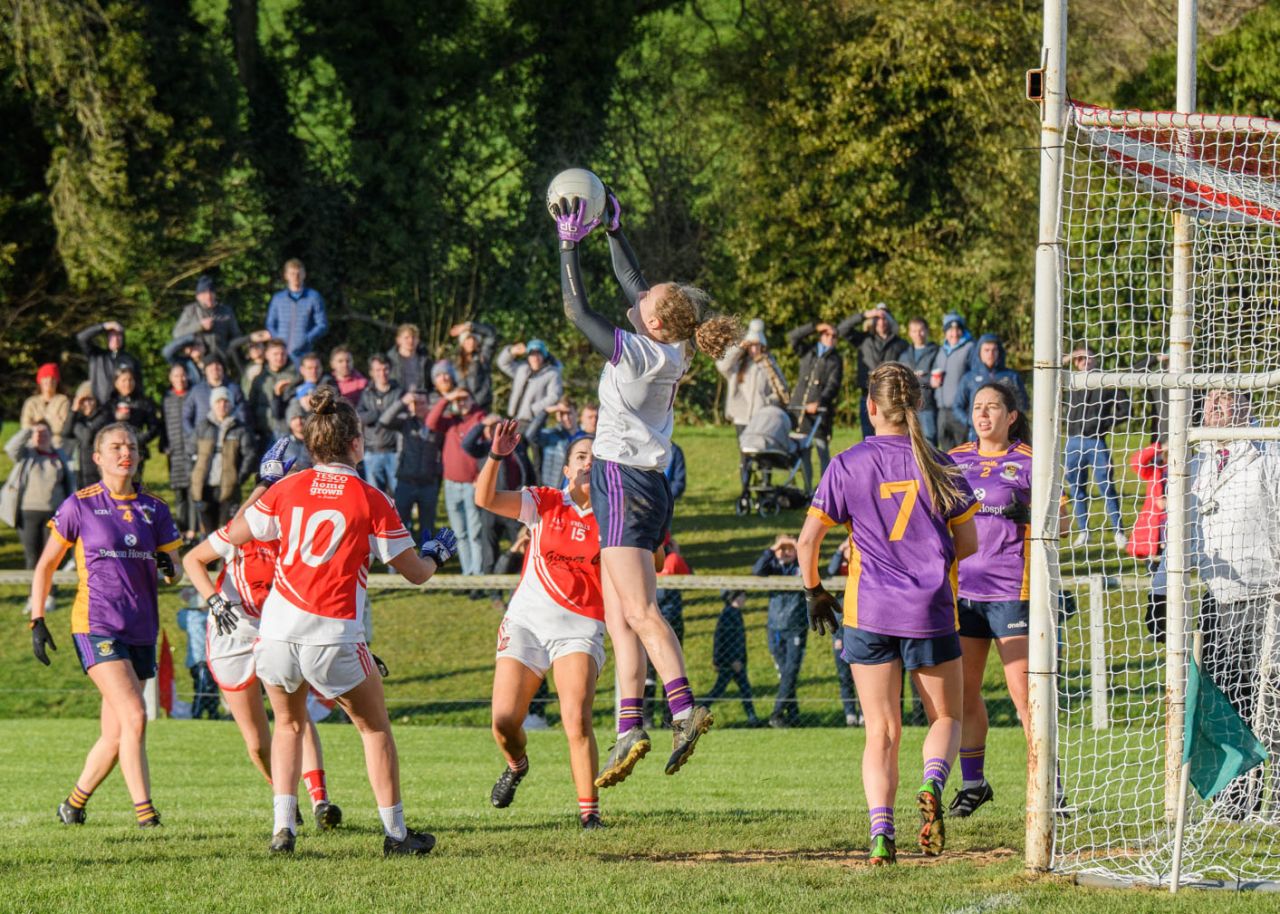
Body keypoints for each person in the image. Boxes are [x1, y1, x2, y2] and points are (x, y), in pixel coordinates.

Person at [199, 386, 456, 855]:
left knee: (287, 726)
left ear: (312, 444)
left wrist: (265, 483)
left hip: (275, 632)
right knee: (373, 728)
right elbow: (416, 574)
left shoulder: (285, 489)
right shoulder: (369, 497)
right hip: (332, 632)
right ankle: (396, 835)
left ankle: (283, 830)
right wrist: (437, 552)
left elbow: (234, 534)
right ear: (356, 443)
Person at [554, 189, 737, 785]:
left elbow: (577, 311)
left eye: (651, 300)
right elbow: (634, 278)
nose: (645, 292)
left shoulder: (636, 353)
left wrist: (567, 246)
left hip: (624, 479)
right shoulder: (674, 343)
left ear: (654, 320)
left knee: (640, 609)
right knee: (617, 616)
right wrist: (611, 228)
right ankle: (629, 724)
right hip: (643, 481)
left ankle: (684, 709)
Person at [796, 361, 978, 865]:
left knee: (881, 731)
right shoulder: (940, 462)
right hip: (930, 610)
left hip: (869, 610)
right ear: (917, 405)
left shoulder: (847, 463)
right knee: (945, 716)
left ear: (870, 407)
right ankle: (933, 783)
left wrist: (815, 591)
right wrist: (928, 562)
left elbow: (808, 541)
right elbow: (969, 541)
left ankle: (881, 836)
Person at [27, 423, 183, 828]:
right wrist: (37, 619)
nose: (124, 453)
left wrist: (171, 567)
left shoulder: (155, 507)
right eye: (115, 447)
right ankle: (146, 814)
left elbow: (176, 572)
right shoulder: (79, 505)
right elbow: (45, 565)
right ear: (97, 458)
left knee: (116, 733)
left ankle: (73, 804)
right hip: (96, 625)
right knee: (135, 716)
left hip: (142, 628)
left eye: (130, 446)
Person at [182, 442, 344, 829]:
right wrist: (214, 602)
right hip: (232, 630)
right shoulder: (251, 520)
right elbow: (195, 558)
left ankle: (320, 800)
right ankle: (282, 792)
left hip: (277, 627)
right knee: (256, 740)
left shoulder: (298, 525)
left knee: (295, 715)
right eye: (280, 485)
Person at [474, 422, 607, 828]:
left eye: (595, 458)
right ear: (566, 469)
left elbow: (653, 562)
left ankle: (589, 814)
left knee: (576, 718)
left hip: (580, 625)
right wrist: (497, 456)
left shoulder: (613, 514)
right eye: (581, 457)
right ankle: (517, 765)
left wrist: (646, 515)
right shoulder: (545, 501)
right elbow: (484, 498)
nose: (588, 463)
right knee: (503, 721)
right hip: (528, 622)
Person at [1188, 389, 1280, 817]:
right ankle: (1236, 798)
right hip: (1218, 597)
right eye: (1209, 399)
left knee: (1271, 698)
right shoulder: (1196, 457)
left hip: (1266, 595)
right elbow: (1184, 526)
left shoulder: (1267, 453)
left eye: (1226, 398)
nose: (1215, 406)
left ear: (1246, 405)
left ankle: (1274, 797)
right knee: (1228, 702)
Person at [946, 382, 1033, 818]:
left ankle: (1047, 788)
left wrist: (1035, 515)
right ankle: (974, 785)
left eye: (993, 407)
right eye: (978, 407)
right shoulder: (955, 460)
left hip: (1012, 592)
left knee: (1024, 696)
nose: (984, 414)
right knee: (964, 694)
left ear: (1011, 415)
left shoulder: (1030, 461)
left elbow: (1066, 521)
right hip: (964, 594)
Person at [1063, 346, 1127, 549]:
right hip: (1072, 441)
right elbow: (1048, 367)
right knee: (1076, 490)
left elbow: (1124, 409)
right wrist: (1069, 357)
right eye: (1080, 359)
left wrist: (1103, 423)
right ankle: (1084, 531)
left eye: (1089, 358)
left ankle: (1118, 531)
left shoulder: (1105, 381)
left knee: (1107, 487)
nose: (1085, 362)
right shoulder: (1069, 380)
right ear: (1075, 361)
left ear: (1096, 360)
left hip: (1096, 442)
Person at [4, 423, 72, 607]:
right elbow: (10, 447)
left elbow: (69, 483)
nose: (40, 436)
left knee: (52, 557)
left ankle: (50, 594)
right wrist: (28, 431)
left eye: (44, 432)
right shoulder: (26, 454)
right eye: (37, 434)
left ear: (51, 435)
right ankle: (33, 596)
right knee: (32, 556)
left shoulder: (59, 455)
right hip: (28, 513)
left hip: (54, 514)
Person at [427, 383, 485, 576]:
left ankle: (478, 574)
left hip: (471, 484)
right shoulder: (451, 421)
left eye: (465, 399)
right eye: (458, 401)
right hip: (451, 484)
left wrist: (479, 476)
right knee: (460, 534)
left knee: (474, 534)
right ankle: (467, 573)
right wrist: (447, 399)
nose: (462, 404)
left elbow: (485, 446)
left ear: (472, 400)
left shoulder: (480, 418)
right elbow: (431, 422)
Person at [753, 534, 807, 728]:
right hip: (775, 626)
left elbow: (811, 565)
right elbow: (757, 570)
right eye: (781, 549)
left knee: (790, 671)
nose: (785, 552)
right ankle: (793, 715)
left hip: (795, 627)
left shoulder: (799, 567)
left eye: (788, 549)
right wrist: (773, 548)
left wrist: (797, 546)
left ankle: (776, 714)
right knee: (785, 673)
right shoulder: (774, 567)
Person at [837, 304, 910, 439]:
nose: (881, 322)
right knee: (869, 437)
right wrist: (865, 314)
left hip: (891, 397)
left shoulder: (901, 344)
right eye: (877, 318)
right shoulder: (864, 339)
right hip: (867, 395)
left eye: (885, 318)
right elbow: (842, 329)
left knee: (893, 436)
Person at [190, 387, 255, 534]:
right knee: (208, 530)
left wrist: (239, 478)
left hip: (229, 488)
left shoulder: (240, 429)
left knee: (227, 530)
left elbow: (249, 455)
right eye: (218, 402)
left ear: (231, 404)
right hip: (204, 486)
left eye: (226, 402)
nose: (222, 405)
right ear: (213, 404)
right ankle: (207, 557)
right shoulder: (202, 427)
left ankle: (226, 557)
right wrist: (193, 476)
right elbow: (190, 453)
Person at [786, 320, 843, 487]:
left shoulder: (835, 360)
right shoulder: (808, 351)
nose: (830, 338)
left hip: (820, 414)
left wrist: (819, 402)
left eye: (834, 336)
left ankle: (825, 489)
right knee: (802, 451)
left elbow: (833, 385)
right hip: (800, 412)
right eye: (827, 334)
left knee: (822, 450)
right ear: (821, 335)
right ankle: (807, 488)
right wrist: (814, 327)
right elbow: (792, 337)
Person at [715, 319, 787, 434]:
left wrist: (767, 403)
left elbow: (781, 390)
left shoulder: (770, 366)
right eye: (751, 345)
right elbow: (722, 365)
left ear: (762, 346)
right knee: (744, 451)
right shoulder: (737, 365)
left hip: (762, 418)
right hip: (741, 418)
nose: (754, 349)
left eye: (757, 345)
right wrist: (740, 347)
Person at [388, 390, 441, 544]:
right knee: (400, 525)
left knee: (427, 528)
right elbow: (384, 421)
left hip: (429, 483)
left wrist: (438, 470)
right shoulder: (406, 423)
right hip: (405, 482)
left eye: (422, 403)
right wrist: (402, 402)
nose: (419, 407)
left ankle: (426, 562)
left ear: (430, 405)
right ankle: (399, 562)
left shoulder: (438, 425)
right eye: (415, 403)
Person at [952, 335, 1028, 441]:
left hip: (1007, 434)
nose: (990, 354)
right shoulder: (969, 378)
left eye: (994, 350)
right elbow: (957, 406)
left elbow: (1023, 404)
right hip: (976, 434)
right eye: (986, 350)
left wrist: (1012, 423)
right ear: (979, 352)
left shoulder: (1011, 376)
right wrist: (970, 421)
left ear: (999, 352)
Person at [703, 590, 760, 726]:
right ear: (735, 598)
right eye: (742, 596)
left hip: (737, 661)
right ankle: (698, 712)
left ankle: (752, 718)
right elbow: (724, 640)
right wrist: (732, 660)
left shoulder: (735, 613)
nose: (744, 599)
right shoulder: (729, 614)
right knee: (719, 690)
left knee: (745, 689)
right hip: (730, 662)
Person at [825, 539, 864, 726]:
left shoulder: (864, 564)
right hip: (841, 630)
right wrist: (840, 549)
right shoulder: (840, 568)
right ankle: (850, 713)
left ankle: (865, 713)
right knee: (844, 675)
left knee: (864, 675)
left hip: (861, 627)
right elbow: (830, 572)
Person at [496, 339, 564, 436]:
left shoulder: (552, 373)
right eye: (532, 354)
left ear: (544, 356)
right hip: (514, 418)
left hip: (532, 421)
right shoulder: (522, 370)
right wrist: (511, 351)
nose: (535, 358)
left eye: (538, 354)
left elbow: (554, 396)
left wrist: (534, 408)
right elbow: (502, 363)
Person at [357, 355, 403, 494]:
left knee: (398, 495)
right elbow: (358, 417)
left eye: (385, 369)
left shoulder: (399, 392)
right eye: (378, 370)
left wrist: (382, 418)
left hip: (394, 451)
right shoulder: (366, 394)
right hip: (371, 452)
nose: (382, 373)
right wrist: (379, 415)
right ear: (371, 372)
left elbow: (402, 418)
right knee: (375, 495)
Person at [265, 259, 328, 363]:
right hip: (280, 356)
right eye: (292, 273)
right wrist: (278, 341)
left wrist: (307, 338)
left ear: (304, 275)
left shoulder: (313, 297)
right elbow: (270, 324)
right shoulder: (278, 298)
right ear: (286, 275)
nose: (296, 277)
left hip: (303, 354)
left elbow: (322, 324)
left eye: (299, 273)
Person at [160, 364, 196, 543]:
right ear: (170, 379)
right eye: (176, 376)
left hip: (191, 450)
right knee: (178, 493)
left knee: (192, 491)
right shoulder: (167, 398)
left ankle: (193, 530)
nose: (180, 379)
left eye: (183, 375)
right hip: (174, 451)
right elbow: (163, 425)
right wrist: (164, 445)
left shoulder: (193, 395)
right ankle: (180, 529)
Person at [103, 367, 161, 478]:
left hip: (136, 451)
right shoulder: (110, 404)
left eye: (130, 380)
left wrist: (138, 440)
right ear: (116, 383)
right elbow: (103, 428)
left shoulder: (143, 402)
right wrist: (116, 419)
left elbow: (154, 427)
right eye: (124, 380)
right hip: (114, 452)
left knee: (134, 483)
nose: (128, 383)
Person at [930, 313, 975, 451]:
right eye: (950, 330)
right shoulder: (941, 350)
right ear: (945, 332)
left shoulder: (970, 348)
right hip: (942, 410)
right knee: (946, 452)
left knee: (962, 451)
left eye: (957, 329)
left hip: (960, 409)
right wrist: (933, 382)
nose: (954, 333)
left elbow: (975, 376)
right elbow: (934, 371)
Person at [173, 274, 242, 358]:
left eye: (211, 292)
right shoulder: (190, 311)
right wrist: (199, 326)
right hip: (198, 359)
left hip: (221, 360)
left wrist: (228, 352)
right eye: (204, 293)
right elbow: (177, 333)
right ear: (198, 296)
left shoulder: (226, 311)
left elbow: (236, 335)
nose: (208, 296)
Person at [76, 320, 142, 406]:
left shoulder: (130, 360)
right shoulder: (97, 356)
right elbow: (81, 338)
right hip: (101, 407)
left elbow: (139, 387)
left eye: (119, 335)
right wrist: (103, 326)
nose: (116, 339)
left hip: (124, 407)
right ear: (107, 338)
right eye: (112, 335)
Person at [182, 357, 247, 442]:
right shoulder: (196, 391)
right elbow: (186, 417)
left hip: (230, 440)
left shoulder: (234, 389)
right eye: (210, 366)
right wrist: (194, 436)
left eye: (218, 366)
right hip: (203, 440)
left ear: (223, 369)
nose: (215, 368)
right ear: (205, 371)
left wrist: (239, 435)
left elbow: (242, 414)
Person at [248, 338, 298, 442]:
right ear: (267, 355)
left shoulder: (294, 378)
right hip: (262, 431)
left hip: (286, 431)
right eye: (275, 354)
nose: (279, 357)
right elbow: (252, 404)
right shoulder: (260, 378)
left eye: (283, 354)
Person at [901, 318, 940, 446]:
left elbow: (936, 378)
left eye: (921, 330)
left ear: (927, 331)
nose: (918, 334)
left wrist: (918, 377)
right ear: (909, 333)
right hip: (909, 406)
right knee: (910, 443)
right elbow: (901, 377)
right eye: (914, 331)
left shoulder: (936, 351)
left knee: (930, 442)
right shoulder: (905, 355)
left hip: (928, 405)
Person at [1127, 439, 1167, 564]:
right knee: (1154, 576)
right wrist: (1159, 447)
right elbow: (1136, 461)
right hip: (1152, 533)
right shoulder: (1155, 472)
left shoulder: (1190, 473)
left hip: (1174, 531)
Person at [450, 321, 498, 411]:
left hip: (482, 406)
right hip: (462, 408)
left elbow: (491, 335)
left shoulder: (483, 357)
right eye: (468, 339)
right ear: (462, 342)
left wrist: (470, 327)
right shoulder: (454, 361)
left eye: (474, 339)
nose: (471, 342)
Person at [64, 383, 104, 489]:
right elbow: (65, 432)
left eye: (91, 399)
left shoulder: (102, 416)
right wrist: (73, 411)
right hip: (78, 469)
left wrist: (75, 425)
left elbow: (87, 436)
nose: (88, 404)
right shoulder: (76, 417)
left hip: (95, 470)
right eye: (83, 400)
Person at [21, 363, 70, 451]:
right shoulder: (31, 402)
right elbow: (25, 426)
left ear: (57, 381)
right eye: (46, 377)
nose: (50, 381)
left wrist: (37, 422)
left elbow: (62, 427)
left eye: (53, 378)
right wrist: (53, 419)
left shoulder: (63, 401)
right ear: (40, 380)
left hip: (57, 445)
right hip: (34, 444)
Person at [387, 323, 429, 394]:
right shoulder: (389, 361)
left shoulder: (426, 362)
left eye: (414, 337)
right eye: (406, 337)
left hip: (421, 400)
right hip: (397, 400)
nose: (411, 341)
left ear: (418, 340)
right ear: (398, 340)